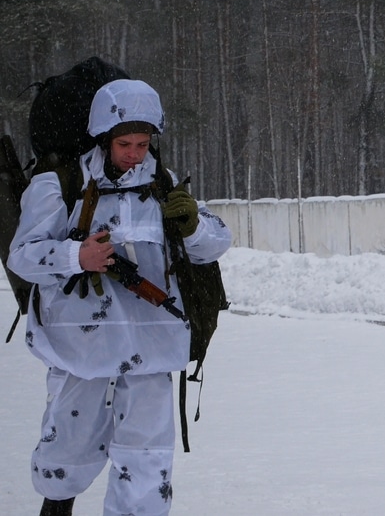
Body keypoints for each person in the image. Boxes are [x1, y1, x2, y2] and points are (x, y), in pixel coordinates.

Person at [8, 78, 232, 516]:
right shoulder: (61, 185)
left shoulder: (163, 185)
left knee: (147, 466)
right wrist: (78, 255)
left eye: (143, 143)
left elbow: (213, 248)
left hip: (153, 349)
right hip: (82, 351)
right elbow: (23, 256)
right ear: (104, 138)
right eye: (124, 143)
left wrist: (193, 227)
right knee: (66, 456)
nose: (134, 153)